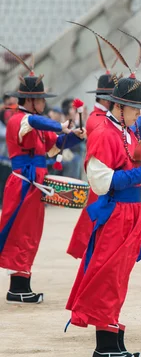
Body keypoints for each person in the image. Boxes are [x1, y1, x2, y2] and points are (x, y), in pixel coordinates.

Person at [65, 27, 141, 357]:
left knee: (118, 276)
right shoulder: (104, 132)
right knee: (107, 275)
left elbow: (132, 167)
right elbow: (102, 182)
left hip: (131, 212)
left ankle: (112, 336)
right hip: (115, 213)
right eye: (135, 109)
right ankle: (105, 345)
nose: (138, 114)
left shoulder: (124, 130)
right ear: (119, 108)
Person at [0, 46, 85, 304]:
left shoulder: (37, 122)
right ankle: (17, 287)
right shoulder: (19, 120)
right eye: (40, 99)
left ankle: (21, 285)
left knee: (31, 235)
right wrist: (60, 124)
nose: (44, 103)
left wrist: (74, 136)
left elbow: (54, 146)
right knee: (19, 234)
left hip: (36, 185)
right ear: (30, 100)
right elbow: (39, 124)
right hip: (23, 184)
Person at [66, 39, 120, 260]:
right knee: (96, 225)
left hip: (110, 178)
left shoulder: (103, 117)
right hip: (102, 177)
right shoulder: (97, 119)